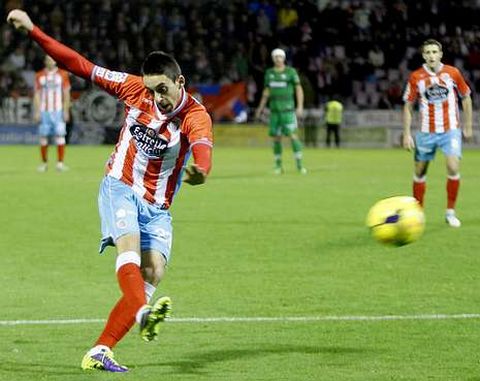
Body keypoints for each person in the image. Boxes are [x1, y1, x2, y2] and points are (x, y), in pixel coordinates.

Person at [8, 9, 213, 372]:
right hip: (120, 185)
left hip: (158, 204)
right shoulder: (133, 88)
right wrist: (33, 31)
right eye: (152, 91)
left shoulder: (195, 115)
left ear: (180, 81)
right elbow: (79, 64)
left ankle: (100, 350)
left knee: (153, 272)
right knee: (130, 253)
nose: (157, 99)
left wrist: (201, 172)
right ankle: (143, 313)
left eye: (163, 90)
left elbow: (202, 149)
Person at [403, 39, 472, 227]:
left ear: (440, 54)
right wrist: (407, 133)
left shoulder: (452, 73)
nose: (431, 55)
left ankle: (450, 212)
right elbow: (408, 105)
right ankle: (418, 214)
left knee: (453, 166)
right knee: (420, 171)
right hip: (426, 132)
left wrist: (468, 125)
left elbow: (466, 97)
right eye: (428, 52)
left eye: (435, 52)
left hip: (450, 130)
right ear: (423, 55)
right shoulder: (416, 77)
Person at [254, 48, 306, 174]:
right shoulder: (269, 73)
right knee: (276, 138)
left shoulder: (290, 72)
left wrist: (300, 107)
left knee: (293, 136)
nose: (278, 59)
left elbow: (298, 89)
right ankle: (278, 166)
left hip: (288, 111)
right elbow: (266, 92)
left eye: (280, 56)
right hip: (274, 112)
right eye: (276, 57)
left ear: (284, 58)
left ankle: (299, 165)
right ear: (273, 58)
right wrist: (260, 108)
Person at [34, 54, 71, 172]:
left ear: (56, 61)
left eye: (52, 59)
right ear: (45, 61)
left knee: (60, 136)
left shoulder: (63, 74)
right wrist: (37, 111)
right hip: (44, 111)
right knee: (43, 137)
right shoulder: (39, 75)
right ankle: (44, 164)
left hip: (58, 111)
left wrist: (66, 110)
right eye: (48, 60)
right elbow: (37, 94)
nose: (50, 61)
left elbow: (66, 94)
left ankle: (60, 164)